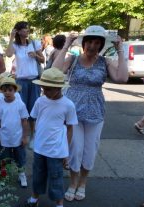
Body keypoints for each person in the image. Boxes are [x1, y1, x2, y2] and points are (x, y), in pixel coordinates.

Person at [52, 25, 128, 201]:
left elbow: (122, 78)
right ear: (83, 43)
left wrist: (121, 51)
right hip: (73, 112)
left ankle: (83, 182)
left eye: (96, 42)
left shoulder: (105, 62)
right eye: (89, 41)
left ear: (101, 45)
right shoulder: (73, 59)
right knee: (75, 149)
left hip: (95, 112)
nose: (92, 46)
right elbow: (55, 72)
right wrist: (66, 45)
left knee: (90, 150)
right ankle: (73, 182)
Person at [25, 67, 78, 207]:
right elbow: (34, 119)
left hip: (56, 149)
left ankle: (59, 203)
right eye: (43, 88)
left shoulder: (68, 105)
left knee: (56, 177)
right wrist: (33, 137)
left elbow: (70, 128)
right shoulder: (40, 101)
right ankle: (35, 197)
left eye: (48, 89)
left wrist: (66, 152)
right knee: (37, 175)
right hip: (40, 147)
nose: (45, 91)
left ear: (59, 88)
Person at [6, 21, 44, 148]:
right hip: (21, 81)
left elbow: (43, 59)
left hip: (34, 81)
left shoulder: (34, 43)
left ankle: (33, 136)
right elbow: (8, 54)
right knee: (21, 110)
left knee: (33, 109)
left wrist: (36, 56)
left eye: (28, 29)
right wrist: (11, 38)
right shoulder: (16, 45)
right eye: (24, 29)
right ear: (18, 31)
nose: (27, 31)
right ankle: (23, 136)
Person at [0, 77, 29, 188]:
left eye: (10, 90)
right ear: (2, 91)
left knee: (20, 157)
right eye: (5, 90)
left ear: (15, 91)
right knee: (4, 158)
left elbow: (24, 121)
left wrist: (24, 137)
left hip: (17, 137)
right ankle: (4, 175)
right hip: (4, 137)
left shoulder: (20, 105)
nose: (7, 92)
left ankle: (22, 175)